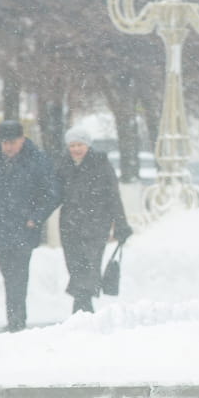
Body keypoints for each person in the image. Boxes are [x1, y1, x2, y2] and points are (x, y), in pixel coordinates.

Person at [0, 120, 61, 332]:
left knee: (18, 274)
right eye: (4, 142)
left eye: (12, 142)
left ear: (22, 139)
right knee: (8, 274)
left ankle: (16, 321)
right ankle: (15, 317)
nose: (8, 147)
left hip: (25, 228)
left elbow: (52, 193)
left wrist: (35, 218)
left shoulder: (36, 160)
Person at [57, 126, 133, 314]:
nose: (76, 149)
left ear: (88, 145)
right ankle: (83, 303)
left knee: (89, 263)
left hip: (96, 223)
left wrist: (121, 224)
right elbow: (52, 193)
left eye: (80, 145)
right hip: (70, 225)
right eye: (72, 145)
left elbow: (113, 195)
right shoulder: (62, 165)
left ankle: (82, 306)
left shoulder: (100, 163)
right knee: (74, 264)